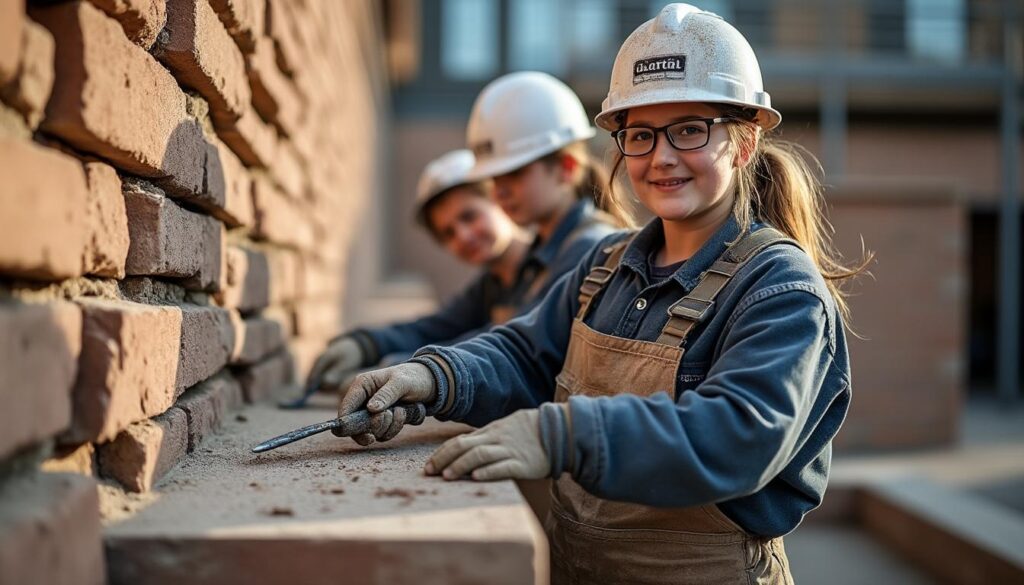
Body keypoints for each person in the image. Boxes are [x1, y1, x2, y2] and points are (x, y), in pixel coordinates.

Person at [335, 4, 869, 582]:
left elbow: (737, 434)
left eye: (690, 129)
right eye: (640, 134)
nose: (661, 156)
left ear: (742, 145)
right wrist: (434, 377)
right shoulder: (606, 265)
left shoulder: (778, 290)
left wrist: (562, 434)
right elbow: (525, 352)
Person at [306, 72, 629, 406]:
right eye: (493, 177)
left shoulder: (588, 248)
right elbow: (438, 327)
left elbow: (516, 347)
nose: (500, 190)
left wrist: (402, 368)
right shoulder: (535, 259)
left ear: (565, 168)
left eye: (514, 173)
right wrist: (366, 344)